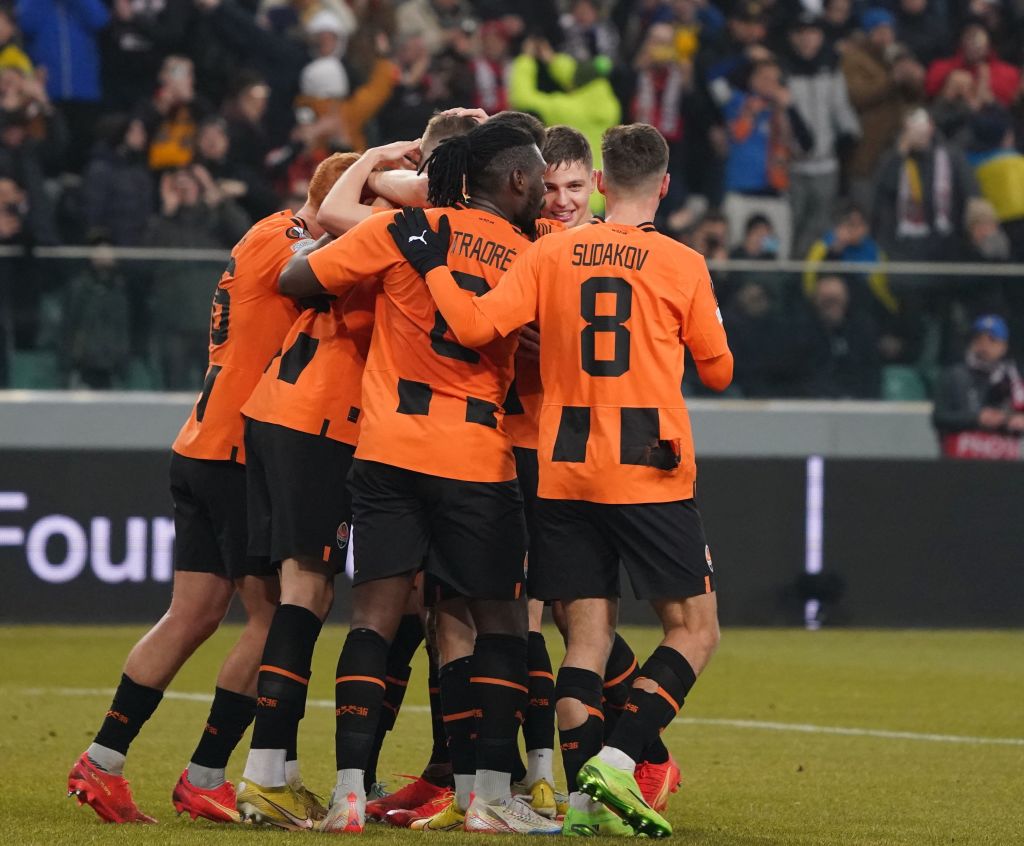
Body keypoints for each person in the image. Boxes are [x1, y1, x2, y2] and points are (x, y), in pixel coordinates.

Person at [393, 122, 731, 837]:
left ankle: (579, 802)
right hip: (647, 467)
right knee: (694, 630)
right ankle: (618, 758)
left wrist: (433, 267)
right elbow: (721, 371)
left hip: (561, 469)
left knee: (584, 637)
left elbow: (478, 325)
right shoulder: (682, 265)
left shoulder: (552, 253)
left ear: (602, 183)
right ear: (664, 186)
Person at [277, 120, 560, 835]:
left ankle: (347, 794)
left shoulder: (406, 229)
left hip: (387, 451)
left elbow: (297, 276)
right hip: (474, 457)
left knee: (372, 616)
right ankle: (488, 798)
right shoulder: (532, 253)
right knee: (499, 625)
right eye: (540, 183)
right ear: (517, 182)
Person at [66, 153, 351, 827]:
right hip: (238, 454)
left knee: (190, 616)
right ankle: (207, 776)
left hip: (203, 439)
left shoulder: (264, 235)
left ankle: (102, 761)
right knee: (276, 616)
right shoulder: (290, 244)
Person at [509, 37, 621, 212]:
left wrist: (526, 59)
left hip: (569, 196)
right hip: (601, 194)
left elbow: (522, 98)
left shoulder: (567, 109)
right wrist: (552, 58)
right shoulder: (611, 106)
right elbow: (576, 76)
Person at [782, 11, 860, 258]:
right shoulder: (783, 69)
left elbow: (841, 109)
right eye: (801, 33)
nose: (807, 39)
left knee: (820, 230)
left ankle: (811, 285)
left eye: (813, 33)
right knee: (791, 230)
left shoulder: (831, 68)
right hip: (792, 166)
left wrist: (849, 135)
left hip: (826, 165)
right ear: (793, 37)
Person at [932, 315, 1023, 459]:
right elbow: (939, 418)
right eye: (979, 339)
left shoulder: (1012, 379)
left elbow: (1018, 415)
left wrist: (1010, 420)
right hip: (960, 462)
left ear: (1003, 347)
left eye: (992, 340)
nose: (984, 346)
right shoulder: (953, 375)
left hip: (1002, 461)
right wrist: (976, 418)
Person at [804, 275, 881, 399]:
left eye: (836, 299)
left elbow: (871, 373)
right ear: (815, 300)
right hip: (812, 403)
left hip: (857, 402)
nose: (832, 305)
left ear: (846, 299)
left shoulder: (862, 330)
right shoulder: (801, 331)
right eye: (827, 300)